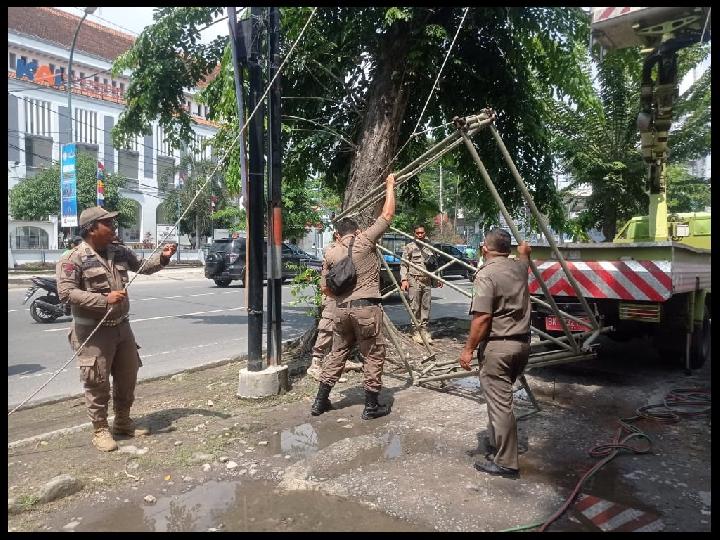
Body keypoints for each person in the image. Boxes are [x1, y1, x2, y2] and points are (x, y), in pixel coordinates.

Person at [57, 206, 177, 452]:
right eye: (108, 224)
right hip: (93, 332)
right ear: (92, 229)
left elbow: (143, 266)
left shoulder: (118, 251)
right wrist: (104, 299)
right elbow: (66, 293)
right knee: (97, 382)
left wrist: (164, 257)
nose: (113, 228)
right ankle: (100, 430)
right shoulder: (73, 258)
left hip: (122, 329)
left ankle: (123, 422)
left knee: (127, 377)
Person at [311, 173, 396, 420]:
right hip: (366, 310)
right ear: (356, 231)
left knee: (337, 353)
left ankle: (320, 402)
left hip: (339, 311)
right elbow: (387, 215)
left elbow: (325, 289)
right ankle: (371, 407)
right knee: (373, 354)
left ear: (338, 235)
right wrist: (390, 186)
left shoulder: (330, 252)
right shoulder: (364, 241)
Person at [458, 228, 532, 479]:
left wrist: (468, 349)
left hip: (498, 347)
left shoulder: (486, 275)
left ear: (483, 249)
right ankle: (496, 442)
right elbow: (524, 261)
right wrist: (525, 254)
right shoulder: (519, 269)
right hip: (521, 346)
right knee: (501, 400)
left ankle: (506, 462)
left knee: (501, 405)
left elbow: (482, 318)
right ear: (509, 249)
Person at [306, 232, 363, 381]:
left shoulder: (349, 248)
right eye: (349, 237)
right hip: (333, 296)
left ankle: (338, 361)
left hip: (346, 296)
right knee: (327, 328)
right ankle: (316, 364)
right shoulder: (333, 249)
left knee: (343, 328)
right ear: (338, 236)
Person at [400, 225, 442, 344]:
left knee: (426, 306)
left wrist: (437, 278)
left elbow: (434, 264)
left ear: (425, 233)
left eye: (422, 233)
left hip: (427, 280)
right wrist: (404, 280)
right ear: (414, 233)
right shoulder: (409, 247)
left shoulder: (430, 247)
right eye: (417, 233)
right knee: (415, 306)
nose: (420, 235)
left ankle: (424, 330)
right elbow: (404, 265)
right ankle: (416, 331)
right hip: (414, 280)